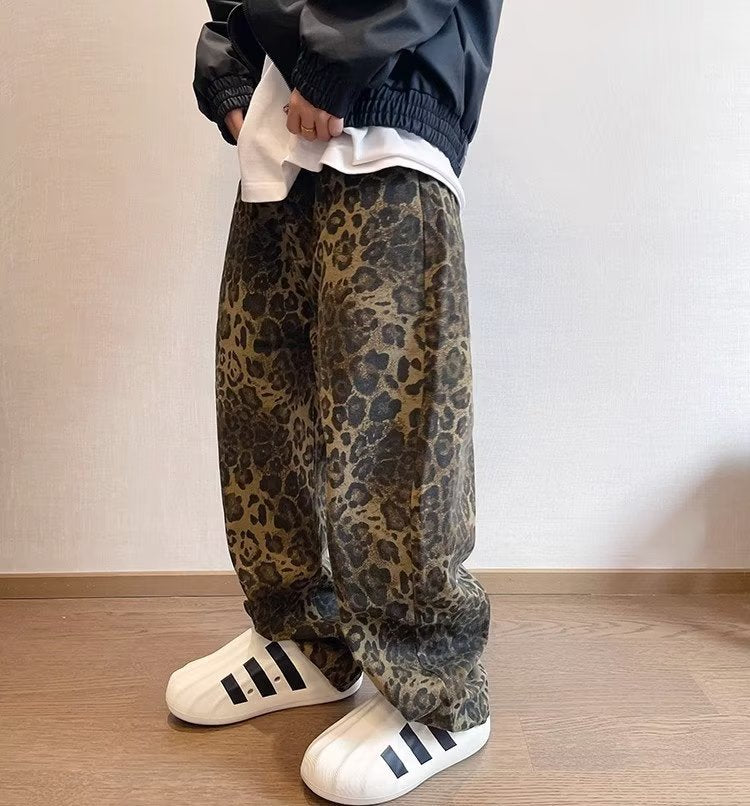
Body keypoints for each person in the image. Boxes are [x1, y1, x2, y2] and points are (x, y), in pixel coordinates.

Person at [167, 2, 504, 803]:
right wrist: (232, 76)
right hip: (277, 137)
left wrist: (335, 60)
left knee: (393, 436)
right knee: (263, 409)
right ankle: (305, 638)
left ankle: (437, 690)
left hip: (390, 117)